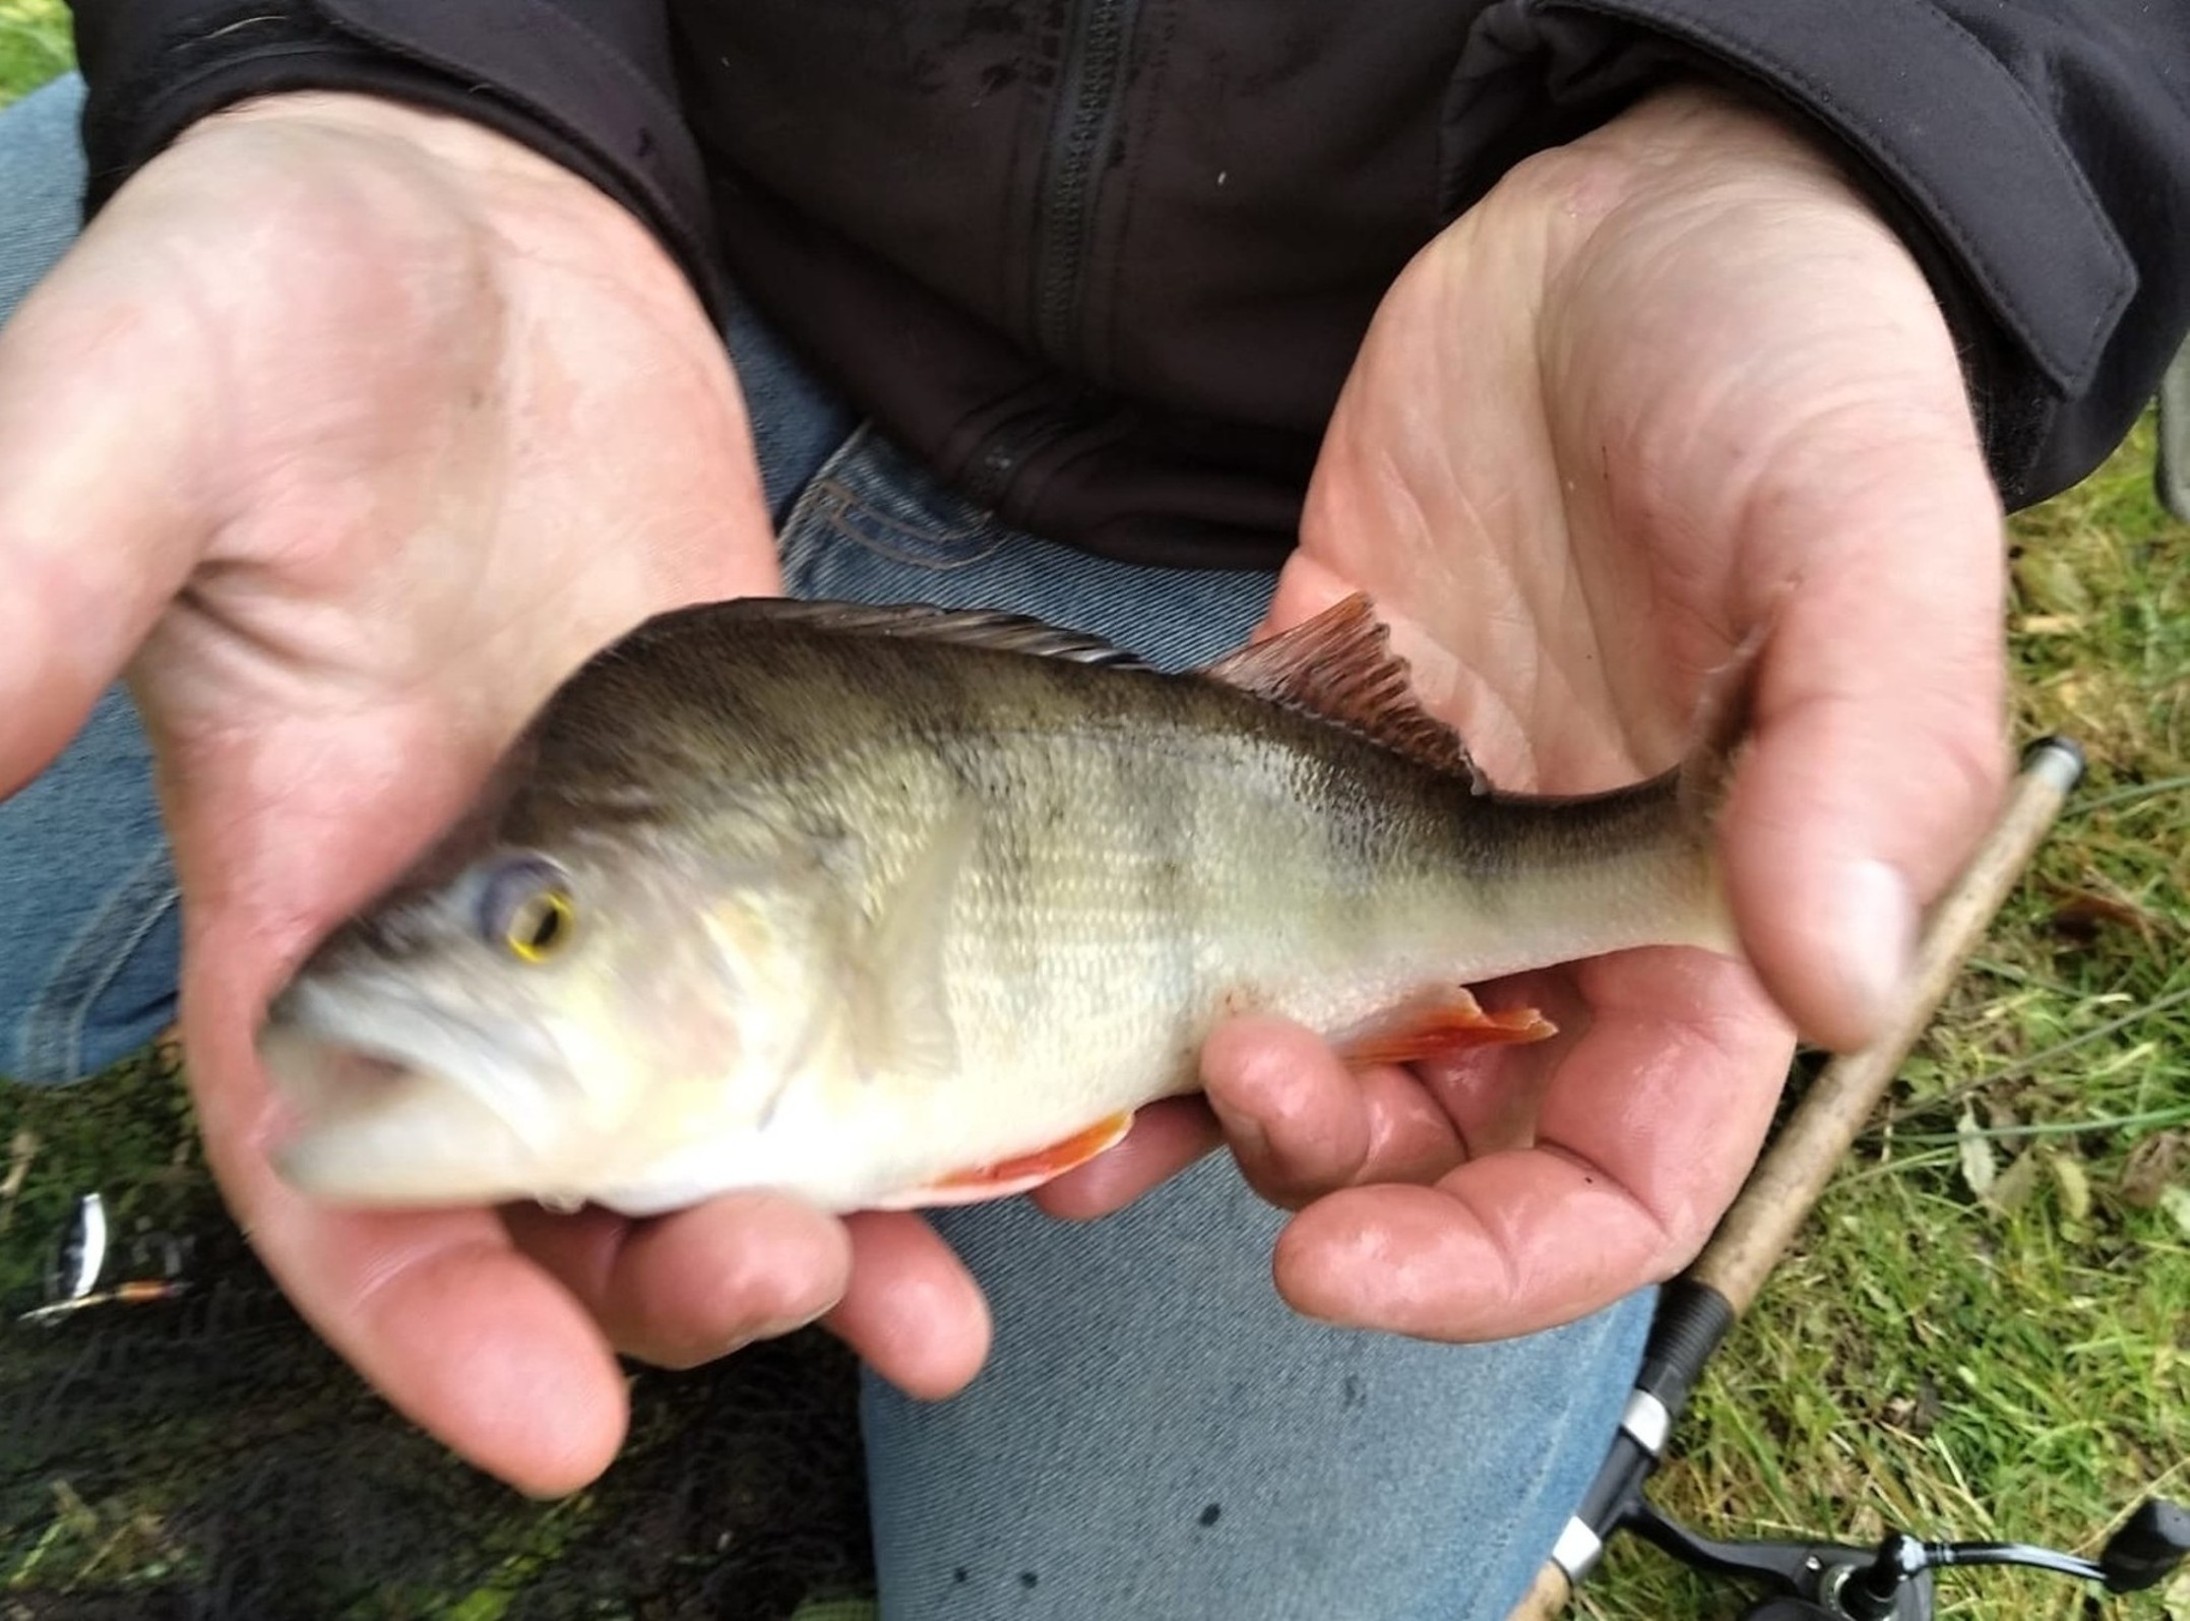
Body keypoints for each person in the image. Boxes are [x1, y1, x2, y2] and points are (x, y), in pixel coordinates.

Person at [2, 5, 2185, 1617]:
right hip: (612, 218)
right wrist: (370, 75)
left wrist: (1825, 142)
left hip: (1388, 478)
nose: (501, 944)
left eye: (539, 920)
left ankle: (1671, 862)